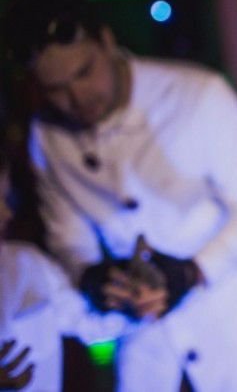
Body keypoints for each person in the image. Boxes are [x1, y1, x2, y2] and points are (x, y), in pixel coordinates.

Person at [2, 0, 237, 392]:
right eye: (55, 89)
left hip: (230, 324)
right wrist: (95, 277)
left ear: (106, 41)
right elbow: (70, 241)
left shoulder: (199, 96)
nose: (77, 98)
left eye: (84, 72)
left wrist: (192, 272)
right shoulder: (45, 137)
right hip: (140, 337)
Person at [0, 133, 131, 391]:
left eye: (5, 197)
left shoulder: (26, 265)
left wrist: (125, 292)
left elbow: (93, 324)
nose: (6, 214)